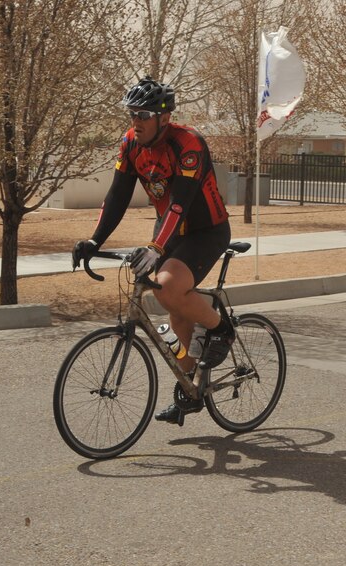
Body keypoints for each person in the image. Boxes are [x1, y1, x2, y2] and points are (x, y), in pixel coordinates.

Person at [72, 76, 234, 424]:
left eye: (143, 114)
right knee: (169, 304)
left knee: (169, 284)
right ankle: (192, 388)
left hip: (206, 229)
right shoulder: (131, 143)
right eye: (132, 114)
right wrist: (94, 241)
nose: (136, 121)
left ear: (164, 117)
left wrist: (156, 246)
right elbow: (116, 197)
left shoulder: (188, 143)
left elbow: (180, 203)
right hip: (170, 230)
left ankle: (221, 329)